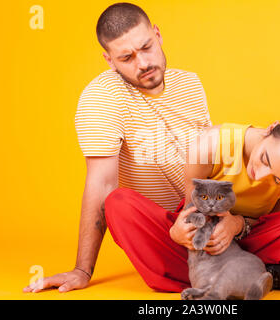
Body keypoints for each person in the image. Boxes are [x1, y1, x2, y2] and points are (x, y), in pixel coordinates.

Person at [23, 2, 211, 294]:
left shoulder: (190, 83)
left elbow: (213, 158)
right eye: (127, 57)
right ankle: (242, 270)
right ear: (110, 60)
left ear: (157, 35)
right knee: (118, 204)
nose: (143, 64)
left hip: (207, 211)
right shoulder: (102, 97)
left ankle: (241, 263)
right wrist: (82, 270)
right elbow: (102, 182)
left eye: (146, 47)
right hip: (166, 231)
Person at [103, 118, 280, 292]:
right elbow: (192, 207)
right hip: (202, 242)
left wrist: (237, 225)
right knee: (118, 203)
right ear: (270, 129)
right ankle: (258, 277)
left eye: (277, 179)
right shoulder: (210, 145)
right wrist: (177, 233)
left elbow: (269, 222)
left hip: (246, 242)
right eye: (264, 159)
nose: (260, 176)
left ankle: (223, 281)